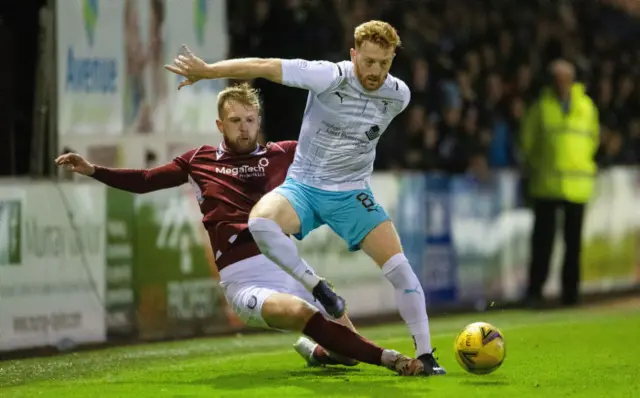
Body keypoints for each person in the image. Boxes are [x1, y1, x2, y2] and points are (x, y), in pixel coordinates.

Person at [55, 83, 428, 376]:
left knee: (345, 354)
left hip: (289, 268)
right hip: (245, 280)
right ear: (220, 125)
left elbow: (330, 148)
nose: (244, 127)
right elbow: (147, 179)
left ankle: (312, 350)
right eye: (235, 121)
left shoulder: (283, 154)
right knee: (301, 312)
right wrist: (93, 170)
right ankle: (391, 359)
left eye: (250, 120)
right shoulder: (198, 161)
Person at [164, 20, 445, 375]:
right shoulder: (327, 76)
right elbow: (265, 66)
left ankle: (426, 356)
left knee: (401, 270)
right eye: (369, 62)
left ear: (393, 60)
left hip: (352, 192)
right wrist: (208, 72)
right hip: (305, 187)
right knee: (261, 222)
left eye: (384, 63)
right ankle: (317, 286)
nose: (375, 72)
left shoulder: (399, 95)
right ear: (353, 54)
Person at [520, 59, 600, 307]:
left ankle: (570, 294)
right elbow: (527, 143)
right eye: (557, 78)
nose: (561, 82)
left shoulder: (587, 107)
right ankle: (535, 292)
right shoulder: (541, 107)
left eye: (565, 77)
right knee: (543, 244)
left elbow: (593, 140)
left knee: (572, 246)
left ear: (572, 79)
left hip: (576, 187)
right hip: (547, 185)